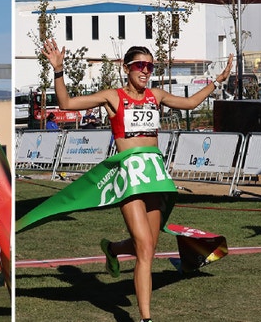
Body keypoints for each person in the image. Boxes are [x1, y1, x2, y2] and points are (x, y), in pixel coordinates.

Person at [42, 38, 233, 322]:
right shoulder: (113, 97)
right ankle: (146, 318)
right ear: (126, 68)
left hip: (154, 175)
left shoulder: (156, 95)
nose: (145, 71)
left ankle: (114, 248)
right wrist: (58, 70)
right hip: (130, 177)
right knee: (145, 248)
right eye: (139, 65)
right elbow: (67, 102)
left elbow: (191, 103)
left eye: (149, 66)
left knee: (149, 245)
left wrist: (216, 82)